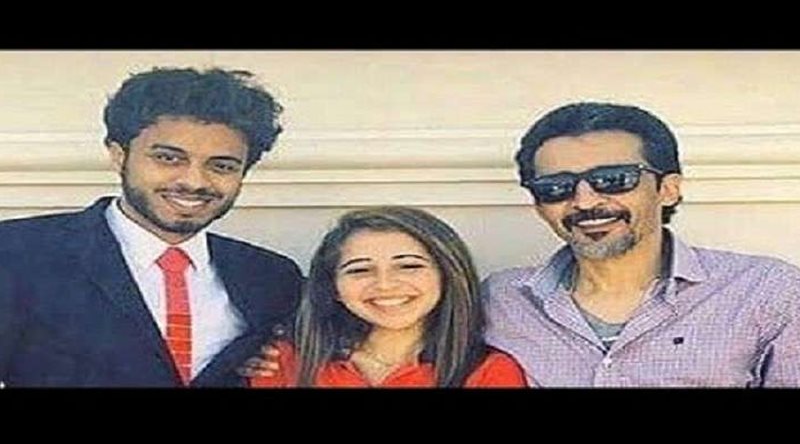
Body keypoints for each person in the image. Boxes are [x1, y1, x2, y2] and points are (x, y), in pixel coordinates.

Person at [0, 67, 302, 387]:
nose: (194, 181)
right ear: (119, 155)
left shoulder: (271, 277)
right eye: (169, 158)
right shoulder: (16, 253)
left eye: (222, 166)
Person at [482, 101, 800, 387]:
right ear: (538, 205)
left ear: (668, 189)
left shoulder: (765, 291)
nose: (585, 201)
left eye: (614, 180)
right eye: (555, 187)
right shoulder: (501, 301)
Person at [249, 206, 526, 387]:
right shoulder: (283, 361)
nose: (385, 284)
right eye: (360, 270)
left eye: (409, 266)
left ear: (448, 274)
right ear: (333, 287)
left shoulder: (489, 371)